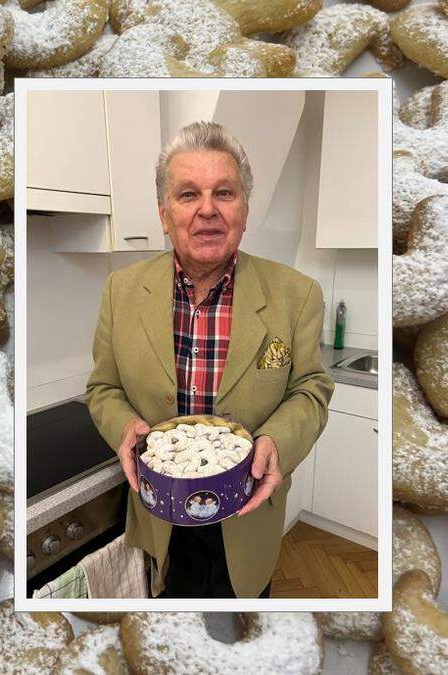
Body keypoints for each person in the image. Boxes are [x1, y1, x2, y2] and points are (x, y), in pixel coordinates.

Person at [85, 121, 334, 598]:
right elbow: (103, 389)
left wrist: (277, 442)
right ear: (163, 213)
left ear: (244, 209)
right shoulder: (121, 291)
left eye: (224, 192)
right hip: (160, 515)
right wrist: (122, 427)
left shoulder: (296, 294)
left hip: (248, 514)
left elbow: (311, 389)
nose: (207, 210)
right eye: (187, 195)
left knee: (244, 622)